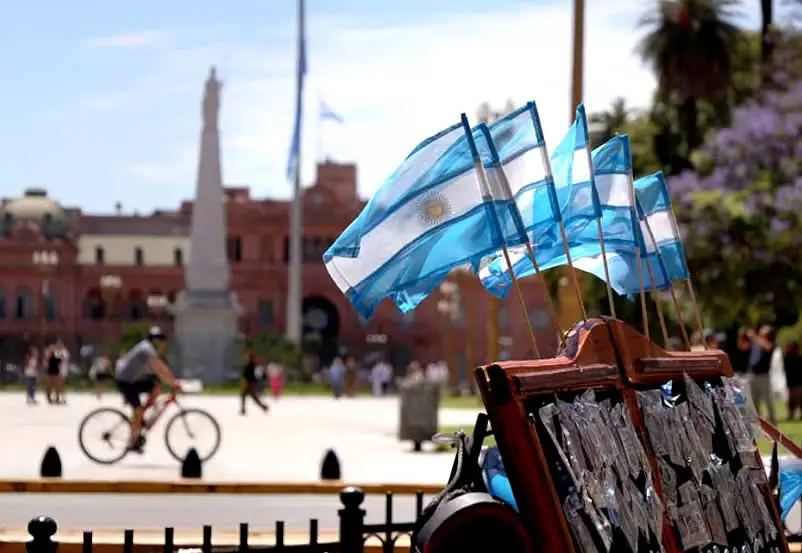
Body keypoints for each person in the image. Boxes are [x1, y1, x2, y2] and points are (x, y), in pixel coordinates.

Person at [115, 326, 181, 453]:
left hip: (132, 378)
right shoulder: (147, 350)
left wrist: (172, 380)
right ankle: (132, 442)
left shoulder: (149, 348)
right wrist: (173, 383)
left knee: (156, 386)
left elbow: (162, 368)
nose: (163, 345)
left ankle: (141, 417)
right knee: (137, 411)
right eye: (162, 342)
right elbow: (159, 369)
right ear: (156, 341)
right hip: (125, 380)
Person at [746, 325, 777, 424]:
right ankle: (757, 423)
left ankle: (773, 424)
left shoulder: (769, 344)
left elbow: (767, 347)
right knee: (753, 402)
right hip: (752, 375)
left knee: (768, 401)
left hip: (764, 376)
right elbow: (742, 346)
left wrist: (754, 336)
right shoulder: (756, 343)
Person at [785, 341, 802, 420]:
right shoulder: (786, 358)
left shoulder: (799, 358)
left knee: (799, 400)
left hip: (798, 383)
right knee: (791, 401)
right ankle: (791, 414)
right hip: (791, 384)